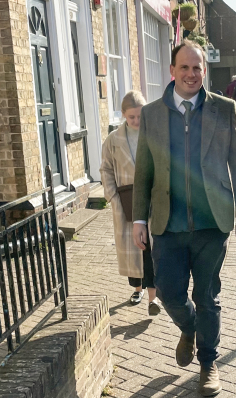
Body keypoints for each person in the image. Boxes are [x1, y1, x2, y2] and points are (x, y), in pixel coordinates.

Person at [132, 41, 236, 397]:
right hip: (167, 223)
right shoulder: (152, 113)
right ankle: (190, 328)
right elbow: (144, 171)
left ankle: (208, 363)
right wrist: (139, 219)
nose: (191, 74)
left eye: (197, 68)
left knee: (207, 295)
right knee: (168, 292)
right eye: (184, 68)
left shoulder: (224, 108)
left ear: (204, 70)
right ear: (172, 71)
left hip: (211, 223)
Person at [100, 90, 162, 315]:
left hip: (154, 200)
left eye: (140, 116)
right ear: (123, 115)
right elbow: (105, 168)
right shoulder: (113, 140)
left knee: (152, 249)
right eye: (131, 117)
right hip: (126, 200)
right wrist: (112, 197)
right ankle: (138, 288)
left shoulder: (155, 134)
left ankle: (154, 298)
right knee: (134, 249)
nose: (136, 121)